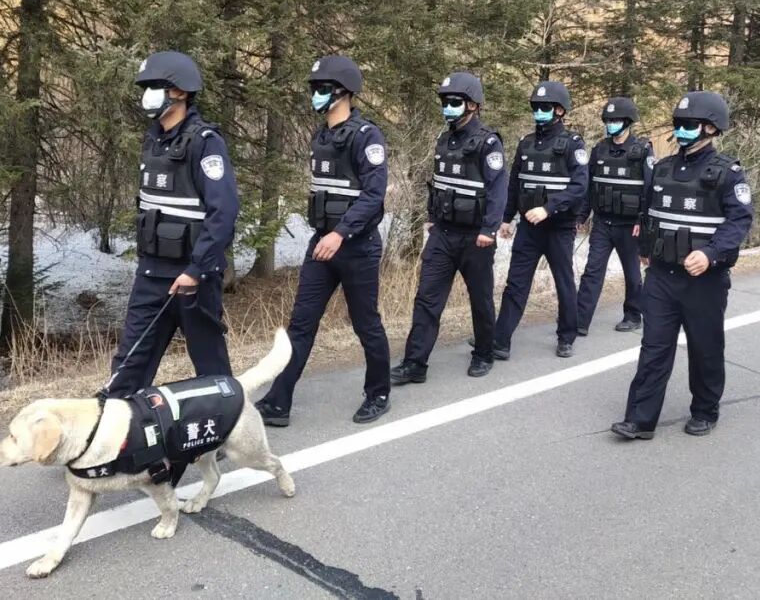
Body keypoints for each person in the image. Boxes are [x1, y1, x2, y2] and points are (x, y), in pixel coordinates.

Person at [256, 55, 392, 426]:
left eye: (322, 88)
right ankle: (278, 403)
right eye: (313, 88)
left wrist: (340, 233)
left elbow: (373, 195)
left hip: (357, 246)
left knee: (366, 323)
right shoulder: (322, 136)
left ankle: (378, 393)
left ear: (344, 92)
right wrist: (327, 234)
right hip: (322, 244)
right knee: (301, 324)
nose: (315, 94)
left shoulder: (367, 136)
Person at [612, 91, 753, 439]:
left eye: (690, 124)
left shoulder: (728, 174)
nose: (681, 130)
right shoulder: (661, 169)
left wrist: (711, 254)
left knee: (705, 347)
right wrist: (645, 247)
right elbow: (648, 213)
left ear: (711, 128)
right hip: (661, 276)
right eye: (679, 124)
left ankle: (705, 410)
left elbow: (739, 222)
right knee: (654, 347)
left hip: (704, 280)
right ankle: (639, 420)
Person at [105, 50, 241, 399]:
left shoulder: (205, 143)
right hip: (151, 273)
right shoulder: (153, 140)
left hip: (194, 277)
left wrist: (195, 271)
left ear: (180, 92)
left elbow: (224, 212)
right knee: (129, 363)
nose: (147, 94)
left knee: (210, 366)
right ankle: (118, 427)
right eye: (146, 87)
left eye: (156, 86)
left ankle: (226, 425)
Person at [390, 73, 508, 384]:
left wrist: (489, 230)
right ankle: (415, 363)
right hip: (442, 234)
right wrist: (431, 217)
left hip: (476, 237)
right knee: (427, 299)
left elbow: (498, 190)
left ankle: (483, 353)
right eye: (445, 101)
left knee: (480, 299)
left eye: (454, 102)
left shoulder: (489, 142)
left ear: (473, 105)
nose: (448, 107)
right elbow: (439, 185)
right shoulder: (444, 139)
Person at [493, 81, 588, 359]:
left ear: (560, 110)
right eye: (536, 107)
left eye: (544, 107)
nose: (539, 113)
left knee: (563, 282)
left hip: (559, 227)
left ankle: (566, 336)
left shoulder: (573, 144)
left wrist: (548, 209)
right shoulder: (526, 143)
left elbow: (580, 186)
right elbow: (515, 183)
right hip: (529, 228)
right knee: (516, 283)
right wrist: (506, 218)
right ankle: (500, 339)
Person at [575, 97, 655, 336]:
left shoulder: (642, 150)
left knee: (632, 274)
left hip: (630, 225)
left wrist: (643, 221)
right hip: (602, 222)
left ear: (628, 122)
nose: (611, 124)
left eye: (616, 120)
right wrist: (581, 216)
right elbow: (590, 186)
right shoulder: (600, 149)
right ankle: (579, 320)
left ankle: (633, 316)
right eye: (608, 120)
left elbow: (650, 189)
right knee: (592, 271)